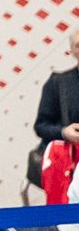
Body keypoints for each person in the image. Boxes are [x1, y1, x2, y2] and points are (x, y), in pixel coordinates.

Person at [34, 28, 79, 201]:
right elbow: (41, 126)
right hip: (69, 161)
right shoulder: (58, 83)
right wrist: (64, 132)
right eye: (78, 45)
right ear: (71, 51)